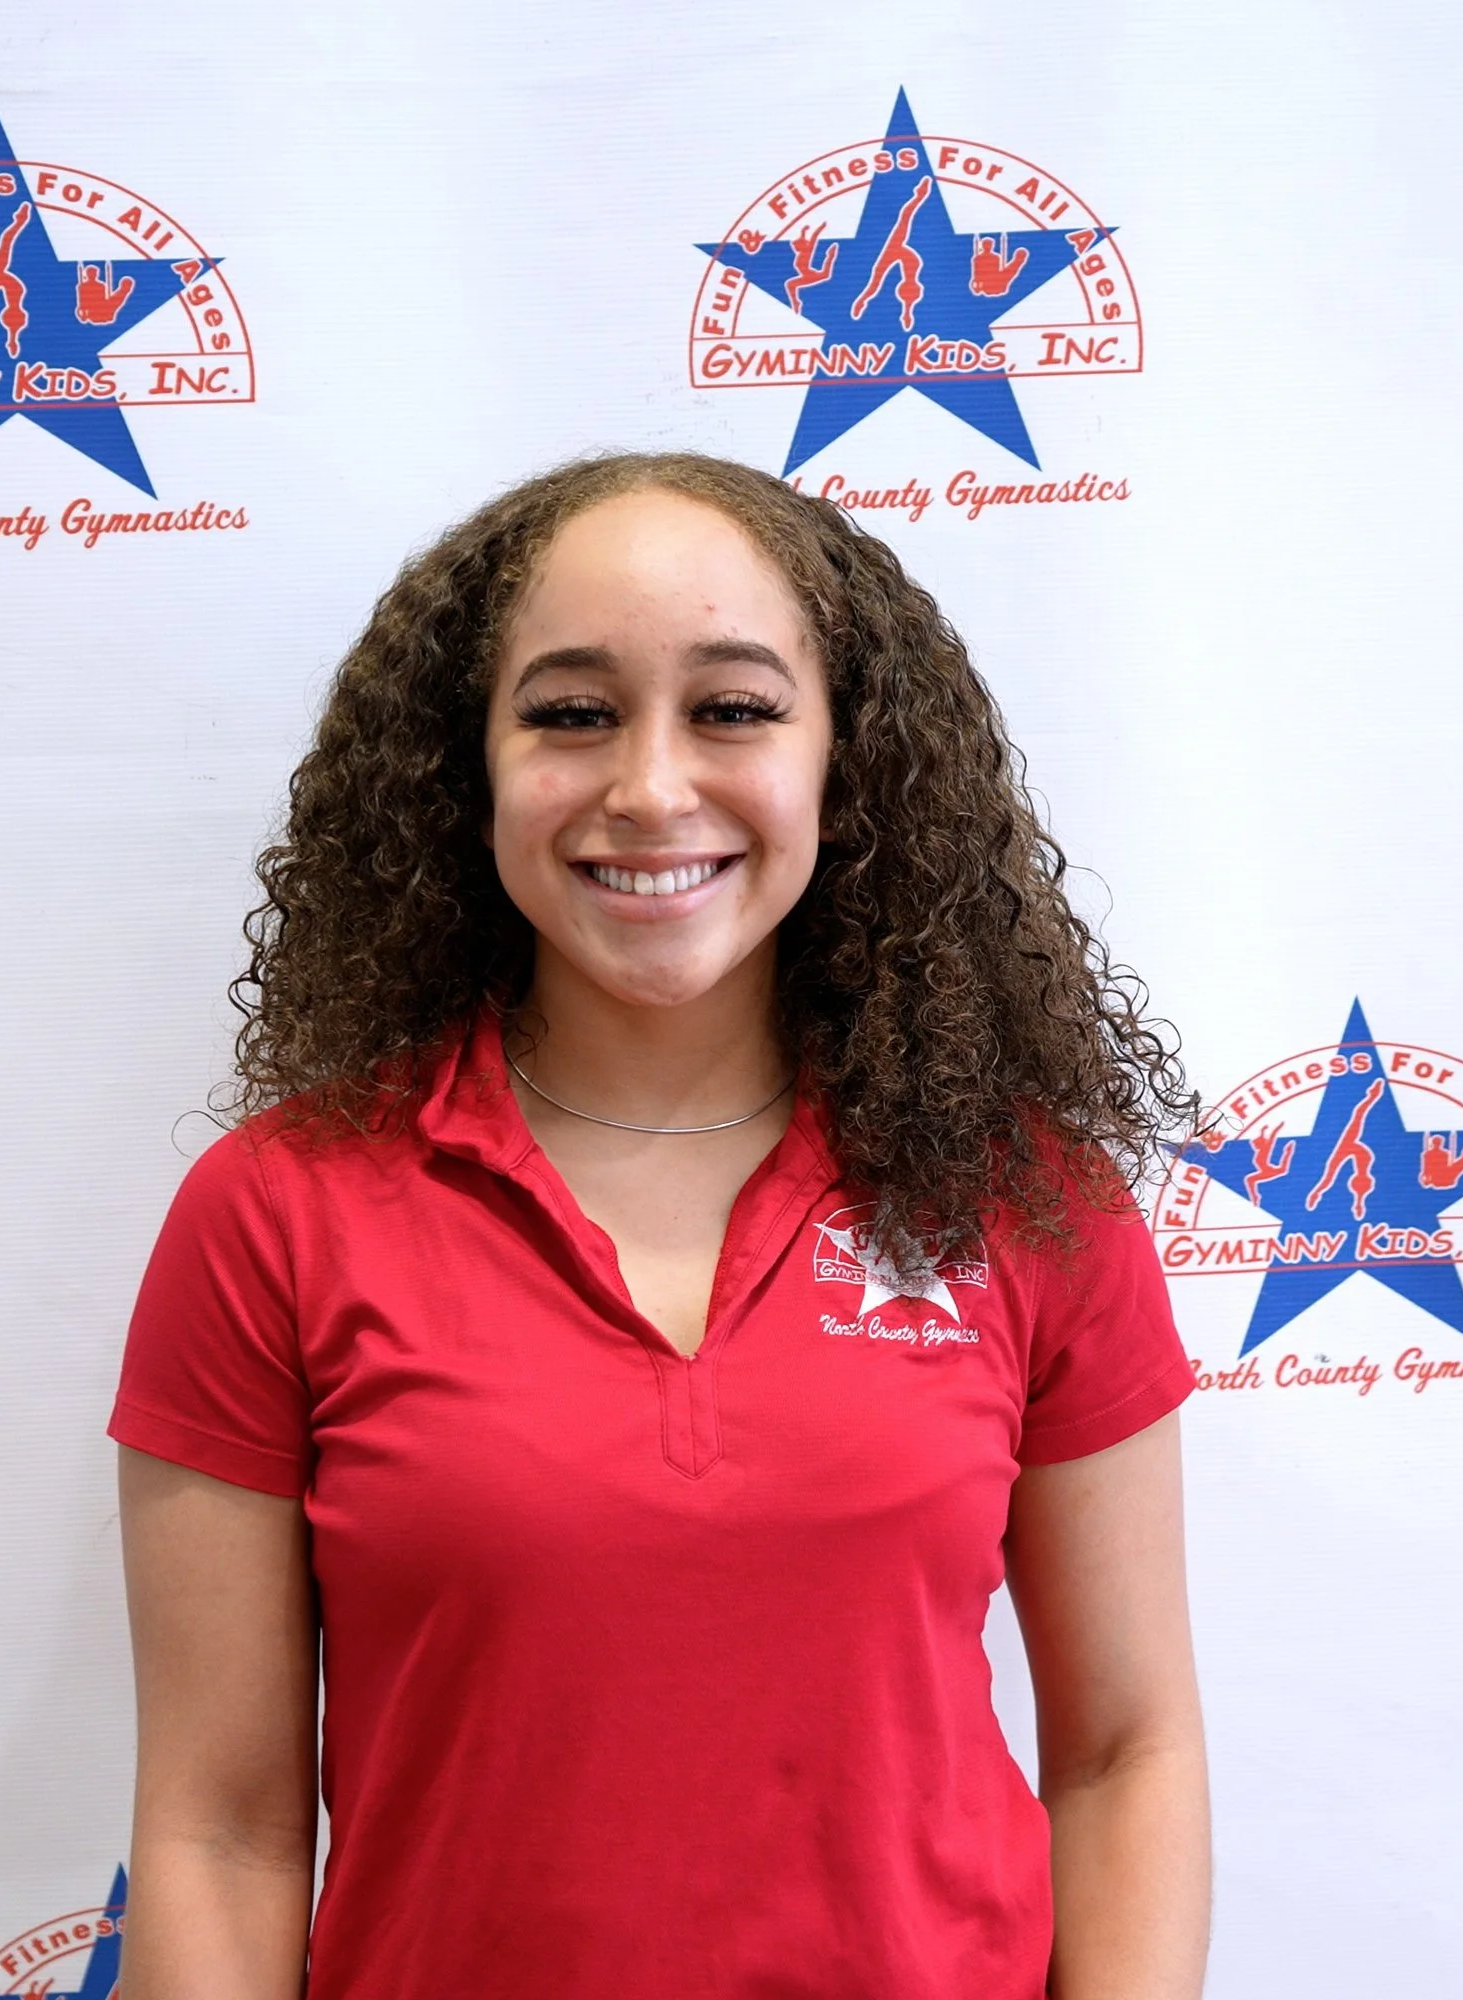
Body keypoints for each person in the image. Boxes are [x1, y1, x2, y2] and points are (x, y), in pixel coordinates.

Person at [111, 452, 1209, 2000]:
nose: (648, 787)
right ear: (462, 770)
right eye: (570, 712)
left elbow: (1123, 1754)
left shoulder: (1023, 1195)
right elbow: (218, 1832)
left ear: (849, 761)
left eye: (735, 709)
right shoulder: (278, 1213)